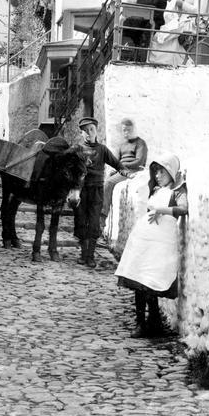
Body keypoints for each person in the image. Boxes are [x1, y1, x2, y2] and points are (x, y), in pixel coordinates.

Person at [114, 153, 188, 337]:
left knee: (152, 280)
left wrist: (162, 210)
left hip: (161, 244)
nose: (157, 176)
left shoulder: (178, 190)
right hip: (145, 242)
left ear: (170, 173)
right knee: (140, 279)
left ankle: (154, 322)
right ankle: (141, 323)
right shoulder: (155, 191)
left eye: (161, 172)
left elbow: (183, 209)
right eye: (155, 172)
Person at [73, 117, 125, 268]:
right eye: (85, 131)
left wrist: (127, 173)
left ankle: (90, 256)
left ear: (96, 131)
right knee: (81, 221)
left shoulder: (102, 150)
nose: (89, 133)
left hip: (96, 191)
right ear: (81, 134)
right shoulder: (77, 149)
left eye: (91, 130)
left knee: (94, 223)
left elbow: (117, 164)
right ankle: (83, 254)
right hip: (81, 191)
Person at [101, 118, 148, 224]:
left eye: (129, 130)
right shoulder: (121, 145)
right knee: (104, 182)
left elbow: (139, 161)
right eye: (124, 130)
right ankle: (102, 216)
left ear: (134, 130)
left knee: (109, 182)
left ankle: (102, 216)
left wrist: (122, 166)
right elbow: (115, 161)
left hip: (133, 170)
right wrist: (116, 168)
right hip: (122, 171)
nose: (126, 133)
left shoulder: (140, 143)